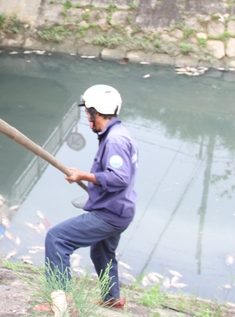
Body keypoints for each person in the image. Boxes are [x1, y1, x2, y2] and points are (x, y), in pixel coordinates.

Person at [41, 85, 138, 311]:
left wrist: (83, 175)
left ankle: (60, 303)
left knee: (57, 238)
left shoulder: (114, 140)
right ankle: (111, 299)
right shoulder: (119, 134)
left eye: (87, 113)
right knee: (101, 251)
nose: (87, 118)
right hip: (121, 209)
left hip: (110, 213)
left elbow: (119, 178)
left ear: (96, 112)